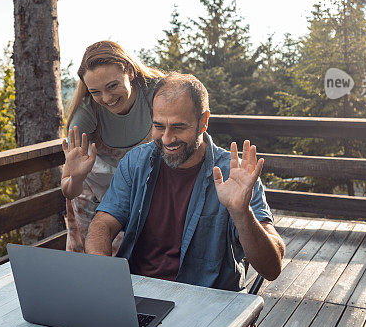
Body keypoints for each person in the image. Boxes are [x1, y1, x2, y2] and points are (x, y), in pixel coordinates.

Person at [85, 73, 284, 290]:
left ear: (203, 121)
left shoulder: (235, 174)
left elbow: (271, 269)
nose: (167, 139)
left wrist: (241, 214)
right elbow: (102, 224)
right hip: (138, 293)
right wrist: (103, 274)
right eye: (159, 126)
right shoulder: (135, 163)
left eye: (179, 127)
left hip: (208, 303)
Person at [61, 40, 164, 253]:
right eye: (96, 92)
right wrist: (78, 177)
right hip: (96, 195)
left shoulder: (157, 93)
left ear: (130, 73)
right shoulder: (85, 117)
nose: (106, 98)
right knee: (97, 263)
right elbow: (68, 189)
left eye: (112, 86)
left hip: (147, 190)